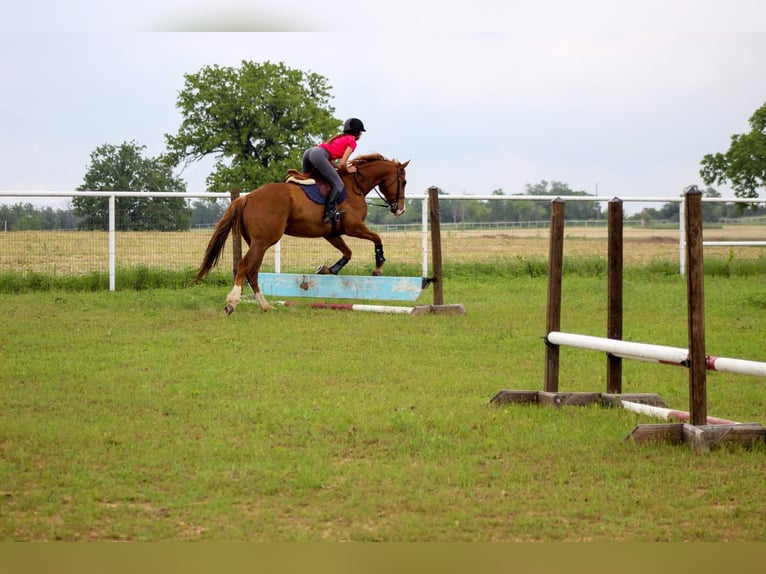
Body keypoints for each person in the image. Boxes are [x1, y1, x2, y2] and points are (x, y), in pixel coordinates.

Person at [302, 118, 366, 223]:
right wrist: (349, 170)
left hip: (309, 153)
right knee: (339, 185)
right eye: (361, 132)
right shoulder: (352, 141)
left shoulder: (341, 137)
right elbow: (342, 163)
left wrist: (335, 166)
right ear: (357, 132)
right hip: (319, 155)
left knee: (307, 181)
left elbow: (328, 158)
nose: (361, 135)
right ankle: (329, 212)